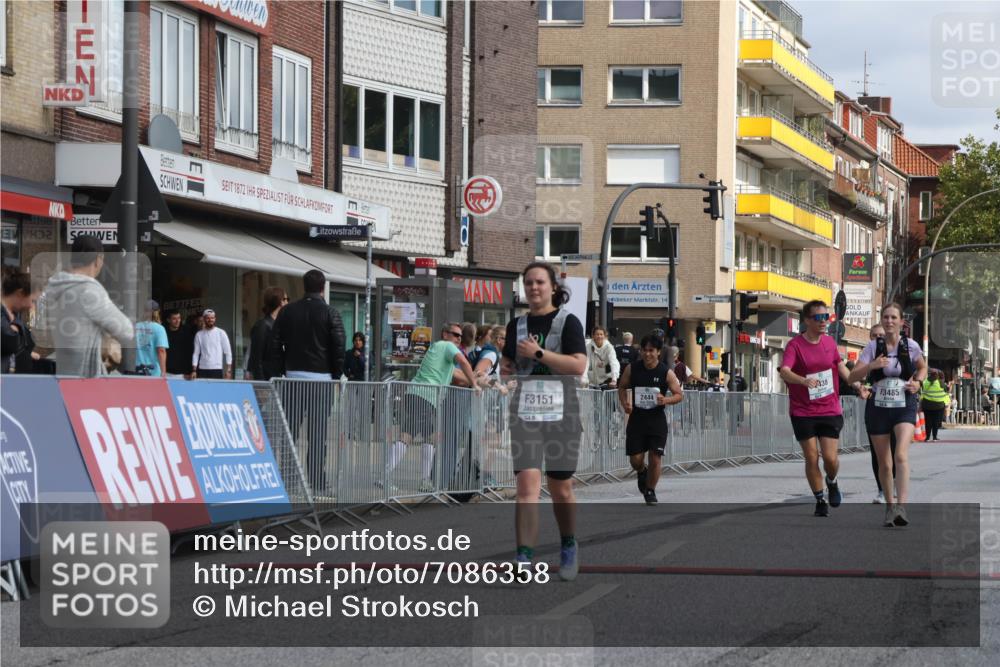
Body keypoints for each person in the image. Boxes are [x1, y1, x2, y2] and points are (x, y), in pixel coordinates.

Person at [500, 262, 587, 581]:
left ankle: (569, 544)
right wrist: (504, 369)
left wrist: (539, 354)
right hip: (525, 412)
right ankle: (523, 557)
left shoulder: (568, 322)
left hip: (562, 413)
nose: (533, 288)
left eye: (539, 282)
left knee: (560, 488)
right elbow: (509, 361)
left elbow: (578, 366)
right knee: (526, 486)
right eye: (528, 283)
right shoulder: (517, 325)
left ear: (553, 287)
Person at [267, 270, 347, 495]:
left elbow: (275, 344)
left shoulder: (287, 311)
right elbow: (339, 346)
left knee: (290, 432)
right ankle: (317, 482)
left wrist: (280, 372)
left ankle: (289, 478)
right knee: (318, 433)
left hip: (293, 378)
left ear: (304, 286)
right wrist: (336, 375)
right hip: (321, 380)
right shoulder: (331, 313)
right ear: (322, 287)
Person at [848, 303, 927, 528]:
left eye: (893, 317)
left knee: (900, 454)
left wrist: (918, 382)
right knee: (884, 462)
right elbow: (852, 376)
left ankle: (901, 506)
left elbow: (922, 367)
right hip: (879, 407)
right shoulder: (873, 347)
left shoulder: (910, 345)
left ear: (901, 322)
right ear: (882, 320)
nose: (889, 321)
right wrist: (872, 365)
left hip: (904, 404)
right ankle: (890, 507)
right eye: (886, 317)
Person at [778, 299, 852, 518]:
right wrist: (803, 381)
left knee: (830, 458)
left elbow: (841, 368)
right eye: (818, 318)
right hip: (803, 410)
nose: (823, 321)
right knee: (812, 457)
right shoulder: (795, 345)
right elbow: (785, 371)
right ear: (807, 320)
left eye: (826, 317)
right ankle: (820, 499)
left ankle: (832, 481)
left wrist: (857, 385)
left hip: (829, 408)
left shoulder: (830, 343)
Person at [384, 323, 479, 493]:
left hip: (418, 395)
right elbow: (464, 362)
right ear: (445, 334)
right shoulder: (447, 346)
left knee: (409, 435)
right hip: (425, 396)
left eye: (460, 336)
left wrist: (476, 379)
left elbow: (459, 375)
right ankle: (420, 481)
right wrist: (475, 384)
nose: (458, 338)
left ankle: (390, 477)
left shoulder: (440, 350)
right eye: (455, 334)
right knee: (429, 437)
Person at [34, 235, 133, 377]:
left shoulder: (55, 287)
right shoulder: (89, 290)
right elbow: (126, 330)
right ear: (98, 259)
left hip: (63, 374)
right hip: (87, 378)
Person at [618, 334, 683, 505]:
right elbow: (622, 386)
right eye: (644, 350)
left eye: (651, 350)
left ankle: (650, 490)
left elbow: (679, 395)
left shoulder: (665, 372)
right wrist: (625, 403)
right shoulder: (632, 369)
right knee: (635, 460)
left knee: (655, 457)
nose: (647, 354)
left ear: (658, 352)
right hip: (637, 420)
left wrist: (665, 400)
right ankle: (641, 471)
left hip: (656, 421)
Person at [245, 287, 287, 380]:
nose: (288, 302)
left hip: (276, 378)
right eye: (286, 299)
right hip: (266, 380)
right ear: (281, 302)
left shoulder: (278, 324)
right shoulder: (263, 326)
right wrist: (262, 383)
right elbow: (256, 358)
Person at [2, 271, 39, 374]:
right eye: (32, 301)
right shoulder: (5, 317)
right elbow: (8, 338)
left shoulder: (14, 316)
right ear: (20, 293)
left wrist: (25, 354)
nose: (31, 306)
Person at [191, 309, 232, 379]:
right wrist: (194, 370)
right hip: (202, 369)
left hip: (217, 369)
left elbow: (228, 352)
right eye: (208, 318)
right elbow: (196, 353)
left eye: (212, 318)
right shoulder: (199, 334)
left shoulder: (221, 333)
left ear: (215, 319)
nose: (210, 320)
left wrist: (228, 370)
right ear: (204, 319)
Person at [134, 300, 168, 376]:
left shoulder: (135, 327)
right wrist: (163, 371)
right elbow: (161, 351)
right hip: (153, 373)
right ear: (157, 312)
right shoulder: (159, 329)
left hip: (136, 370)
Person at [163, 310, 194, 378]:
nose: (177, 321)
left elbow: (190, 352)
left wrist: (190, 371)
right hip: (166, 372)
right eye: (174, 319)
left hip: (183, 373)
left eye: (179, 318)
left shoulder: (187, 331)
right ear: (168, 320)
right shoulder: (163, 332)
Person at [920, 369, 949, 441]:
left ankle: (927, 437)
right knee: (935, 421)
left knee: (928, 421)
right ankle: (934, 437)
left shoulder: (925, 382)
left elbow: (922, 391)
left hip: (927, 405)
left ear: (929, 375)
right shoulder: (940, 382)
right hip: (938, 405)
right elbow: (946, 390)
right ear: (937, 376)